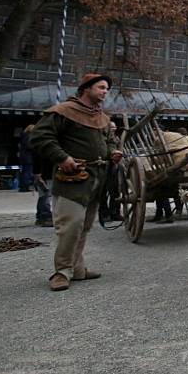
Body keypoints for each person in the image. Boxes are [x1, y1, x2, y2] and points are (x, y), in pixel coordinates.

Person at [30, 73, 122, 292]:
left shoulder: (102, 117)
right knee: (70, 226)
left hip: (95, 180)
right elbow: (40, 137)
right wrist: (62, 158)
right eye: (101, 87)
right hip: (72, 179)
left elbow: (108, 141)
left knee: (84, 226)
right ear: (86, 89)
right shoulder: (63, 112)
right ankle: (61, 272)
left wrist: (112, 153)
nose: (105, 92)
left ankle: (77, 269)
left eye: (106, 88)